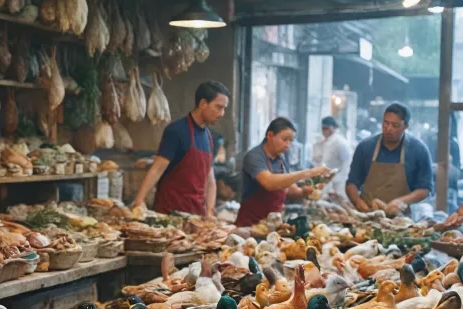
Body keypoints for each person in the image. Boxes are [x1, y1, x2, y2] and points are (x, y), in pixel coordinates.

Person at [131, 80, 229, 216]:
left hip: (196, 216)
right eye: (219, 107)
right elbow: (157, 168)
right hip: (170, 215)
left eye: (224, 108)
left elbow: (210, 180)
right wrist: (139, 200)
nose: (222, 113)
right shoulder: (176, 130)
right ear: (202, 104)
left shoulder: (209, 137)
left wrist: (210, 211)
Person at [235, 117, 329, 227]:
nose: (288, 144)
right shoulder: (254, 156)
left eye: (291, 140)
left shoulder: (281, 159)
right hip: (250, 225)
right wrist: (306, 173)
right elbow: (269, 183)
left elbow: (287, 187)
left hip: (273, 224)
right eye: (284, 139)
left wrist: (304, 192)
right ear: (270, 135)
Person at [346, 102, 433, 217]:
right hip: (367, 215)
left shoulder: (419, 150)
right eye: (386, 123)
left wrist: (402, 201)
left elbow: (425, 189)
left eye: (395, 125)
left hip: (401, 219)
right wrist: (357, 202)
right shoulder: (365, 147)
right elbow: (351, 183)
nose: (389, 129)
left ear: (405, 127)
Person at [311, 115, 352, 199]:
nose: (324, 131)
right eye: (323, 128)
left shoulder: (340, 142)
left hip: (339, 183)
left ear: (333, 128)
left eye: (327, 128)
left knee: (340, 203)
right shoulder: (323, 142)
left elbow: (347, 162)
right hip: (326, 181)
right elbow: (320, 160)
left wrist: (338, 178)